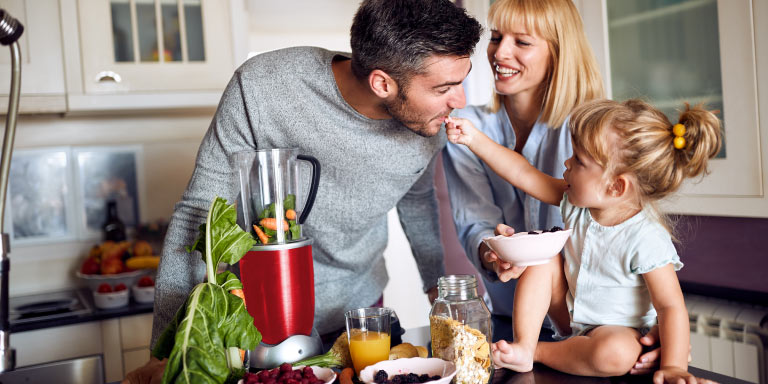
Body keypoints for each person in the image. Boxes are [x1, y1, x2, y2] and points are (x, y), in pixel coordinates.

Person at [124, 0, 482, 382]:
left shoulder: (431, 122)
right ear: (382, 83)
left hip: (359, 316)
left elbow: (415, 193)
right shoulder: (264, 87)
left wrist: (434, 282)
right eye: (445, 87)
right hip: (258, 321)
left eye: (462, 81)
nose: (460, 101)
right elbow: (199, 212)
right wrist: (169, 350)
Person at [445, 98, 722, 382]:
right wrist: (475, 139)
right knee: (545, 255)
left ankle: (537, 352)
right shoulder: (575, 204)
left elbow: (670, 307)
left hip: (620, 332)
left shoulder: (646, 236)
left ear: (616, 186)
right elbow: (522, 173)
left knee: (616, 353)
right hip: (570, 315)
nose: (567, 162)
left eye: (578, 160)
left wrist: (674, 366)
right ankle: (524, 345)